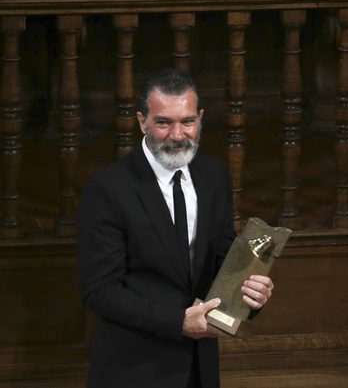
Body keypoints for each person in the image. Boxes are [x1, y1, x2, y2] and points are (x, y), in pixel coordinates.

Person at [77, 68, 274, 388]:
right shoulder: (108, 188)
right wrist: (177, 322)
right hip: (134, 370)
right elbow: (99, 290)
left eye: (187, 121)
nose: (178, 135)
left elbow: (223, 255)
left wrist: (250, 292)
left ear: (200, 118)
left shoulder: (214, 175)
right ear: (141, 121)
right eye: (163, 122)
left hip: (200, 369)